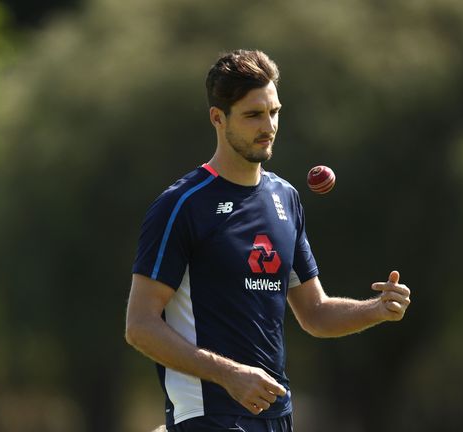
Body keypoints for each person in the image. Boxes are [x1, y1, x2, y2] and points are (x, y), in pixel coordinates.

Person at [125, 49, 411, 432]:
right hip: (209, 415)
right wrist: (228, 374)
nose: (269, 126)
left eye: (274, 112)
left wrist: (377, 309)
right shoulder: (182, 206)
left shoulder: (285, 198)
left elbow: (315, 312)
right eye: (253, 115)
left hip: (276, 417)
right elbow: (140, 325)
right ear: (218, 118)